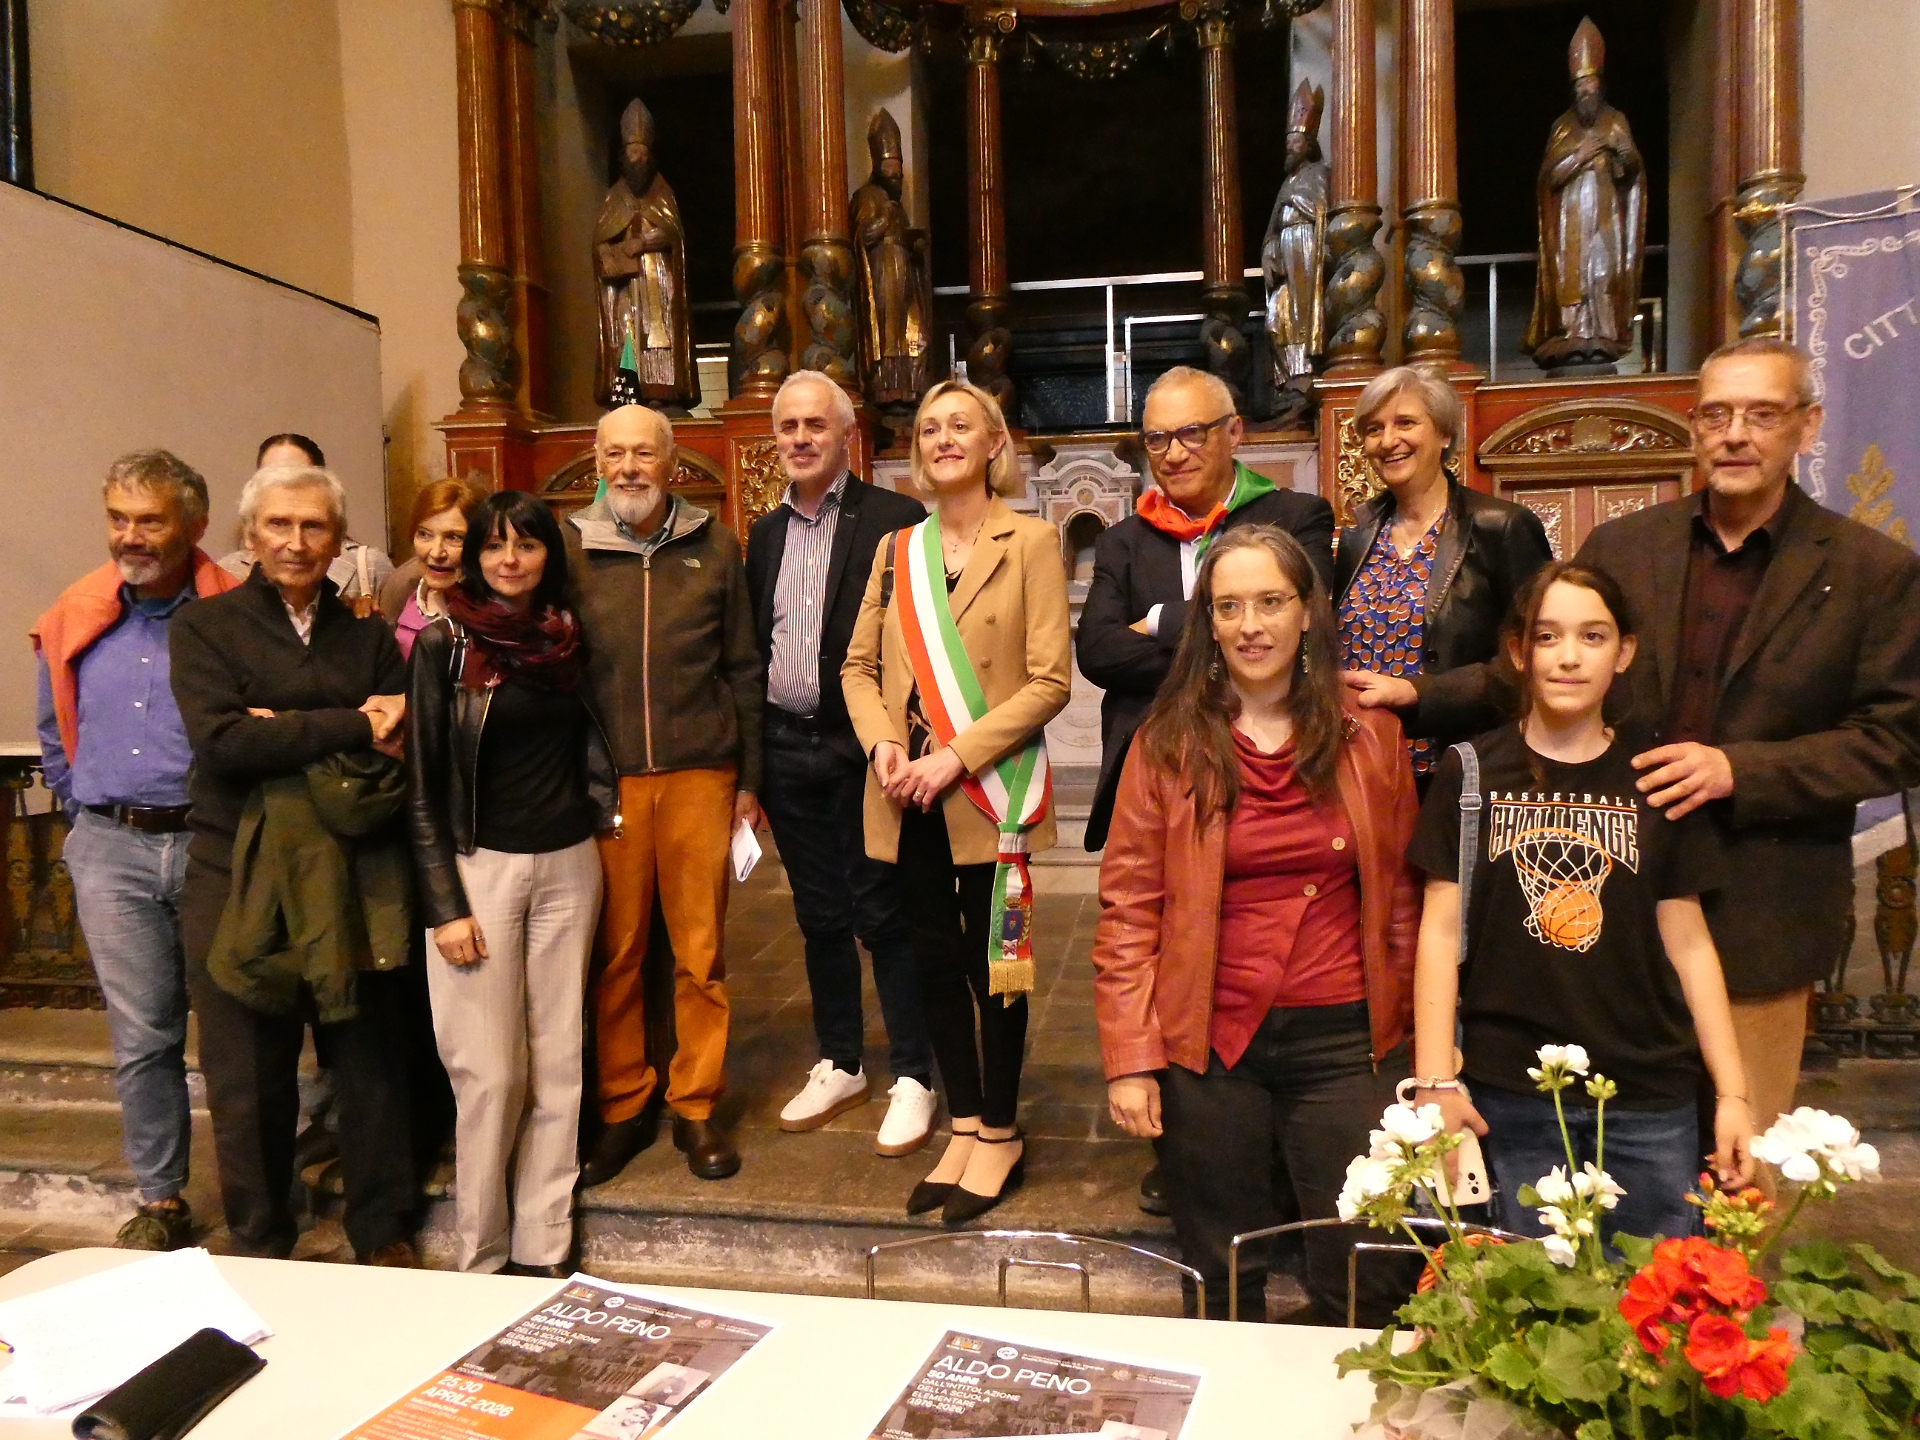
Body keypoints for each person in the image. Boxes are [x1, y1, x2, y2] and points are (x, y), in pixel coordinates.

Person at [1575, 337, 1920, 1190]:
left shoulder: (1873, 572)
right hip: (1616, 907)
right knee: (1605, 1169)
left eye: (1762, 414)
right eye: (1717, 414)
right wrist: (1413, 695)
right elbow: (1549, 670)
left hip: (1762, 908)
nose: (1735, 434)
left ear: (1807, 426)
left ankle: (1729, 1283)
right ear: (1693, 427)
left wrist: (1741, 772)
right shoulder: (1622, 549)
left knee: (1738, 1175)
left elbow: (1898, 738)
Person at [1091, 526, 1419, 1323]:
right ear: (1207, 621)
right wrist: (1131, 1059)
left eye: (1271, 602)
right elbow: (1129, 910)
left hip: (1345, 1037)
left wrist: (1424, 1051)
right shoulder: (1166, 741)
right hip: (1210, 1039)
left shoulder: (1370, 731)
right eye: (1229, 606)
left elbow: (1407, 904)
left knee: (1365, 1270)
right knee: (1221, 1265)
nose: (1251, 625)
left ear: (1308, 611)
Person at [1409, 562, 1757, 1242]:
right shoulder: (1471, 773)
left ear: (1624, 652)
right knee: (1522, 1297)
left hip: (1644, 1096)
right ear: (1519, 651)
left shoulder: (1656, 778)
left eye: (1593, 636)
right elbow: (1440, 933)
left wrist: (1733, 1094)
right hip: (1510, 1095)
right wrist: (1435, 1081)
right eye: (1548, 636)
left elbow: (1689, 945)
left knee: (1651, 1297)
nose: (1569, 656)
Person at [1077, 363, 1334, 1215]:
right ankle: (1190, 1143)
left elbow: (1306, 622)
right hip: (1159, 770)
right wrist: (1205, 640)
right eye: (1157, 438)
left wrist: (1160, 623)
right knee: (1164, 945)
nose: (1174, 452)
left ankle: (1279, 1148)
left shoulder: (1294, 515)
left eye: (1192, 433)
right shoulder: (1126, 539)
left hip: (1277, 762)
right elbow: (1097, 651)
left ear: (1234, 433)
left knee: (1258, 952)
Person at [169, 463, 421, 1265]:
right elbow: (224, 744)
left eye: (314, 526)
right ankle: (261, 1241)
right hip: (235, 876)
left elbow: (393, 754)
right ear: (249, 535)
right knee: (248, 1077)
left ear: (339, 539)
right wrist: (352, 721)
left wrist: (281, 724)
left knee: (371, 1067)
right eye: (279, 524)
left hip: (354, 872)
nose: (296, 541)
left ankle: (382, 1232)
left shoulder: (369, 638)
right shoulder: (205, 629)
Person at [842, 378, 1072, 1224]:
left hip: (986, 794)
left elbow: (1050, 681)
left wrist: (953, 759)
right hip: (904, 792)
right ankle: (966, 1124)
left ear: (992, 444)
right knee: (931, 962)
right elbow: (857, 668)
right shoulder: (897, 550)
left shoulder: (1031, 541)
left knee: (994, 966)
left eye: (960, 426)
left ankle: (1002, 1131)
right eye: (930, 428)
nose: (943, 439)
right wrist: (883, 744)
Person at [29, 450, 242, 1250]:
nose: (131, 536)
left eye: (150, 520)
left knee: (237, 1029)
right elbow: (54, 725)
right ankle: (161, 1198)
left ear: (195, 525)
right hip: (112, 848)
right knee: (144, 1036)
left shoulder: (232, 611)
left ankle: (257, 1197)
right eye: (119, 518)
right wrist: (85, 804)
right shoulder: (77, 612)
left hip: (212, 845)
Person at [408, 491, 613, 1276]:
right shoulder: (445, 645)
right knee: (491, 1074)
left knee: (559, 1064)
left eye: (525, 545)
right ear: (474, 556)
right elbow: (423, 788)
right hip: (480, 870)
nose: (508, 560)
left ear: (547, 555)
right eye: (493, 546)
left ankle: (543, 1243)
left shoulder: (565, 637)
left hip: (569, 865)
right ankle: (483, 1252)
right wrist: (444, 906)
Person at [566, 404, 762, 1185]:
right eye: (614, 453)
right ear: (596, 462)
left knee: (700, 953)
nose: (629, 468)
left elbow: (743, 667)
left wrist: (749, 780)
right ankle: (622, 1104)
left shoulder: (715, 546)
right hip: (608, 778)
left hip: (699, 774)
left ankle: (696, 1103)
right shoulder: (571, 549)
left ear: (672, 462)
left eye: (644, 454)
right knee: (616, 953)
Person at [745, 371, 938, 1154]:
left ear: (845, 435)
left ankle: (915, 1073)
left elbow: (917, 639)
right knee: (818, 912)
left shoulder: (895, 519)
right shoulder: (764, 534)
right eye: (787, 426)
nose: (799, 438)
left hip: (865, 749)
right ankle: (841, 1060)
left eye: (814, 425)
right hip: (787, 747)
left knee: (882, 911)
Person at [1337, 365, 1553, 785]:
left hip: (1460, 770)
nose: (1388, 441)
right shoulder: (1356, 535)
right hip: (1363, 770)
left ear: (1444, 434)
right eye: (1374, 429)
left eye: (1405, 423)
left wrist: (1420, 693)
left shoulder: (1500, 527)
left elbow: (1536, 658)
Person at [217, 434, 394, 614]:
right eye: (271, 475)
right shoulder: (228, 571)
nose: (297, 544)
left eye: (300, 474)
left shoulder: (368, 565)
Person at [379, 478, 483, 659]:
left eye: (454, 537)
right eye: (424, 534)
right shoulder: (398, 598)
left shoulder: (497, 617)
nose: (436, 553)